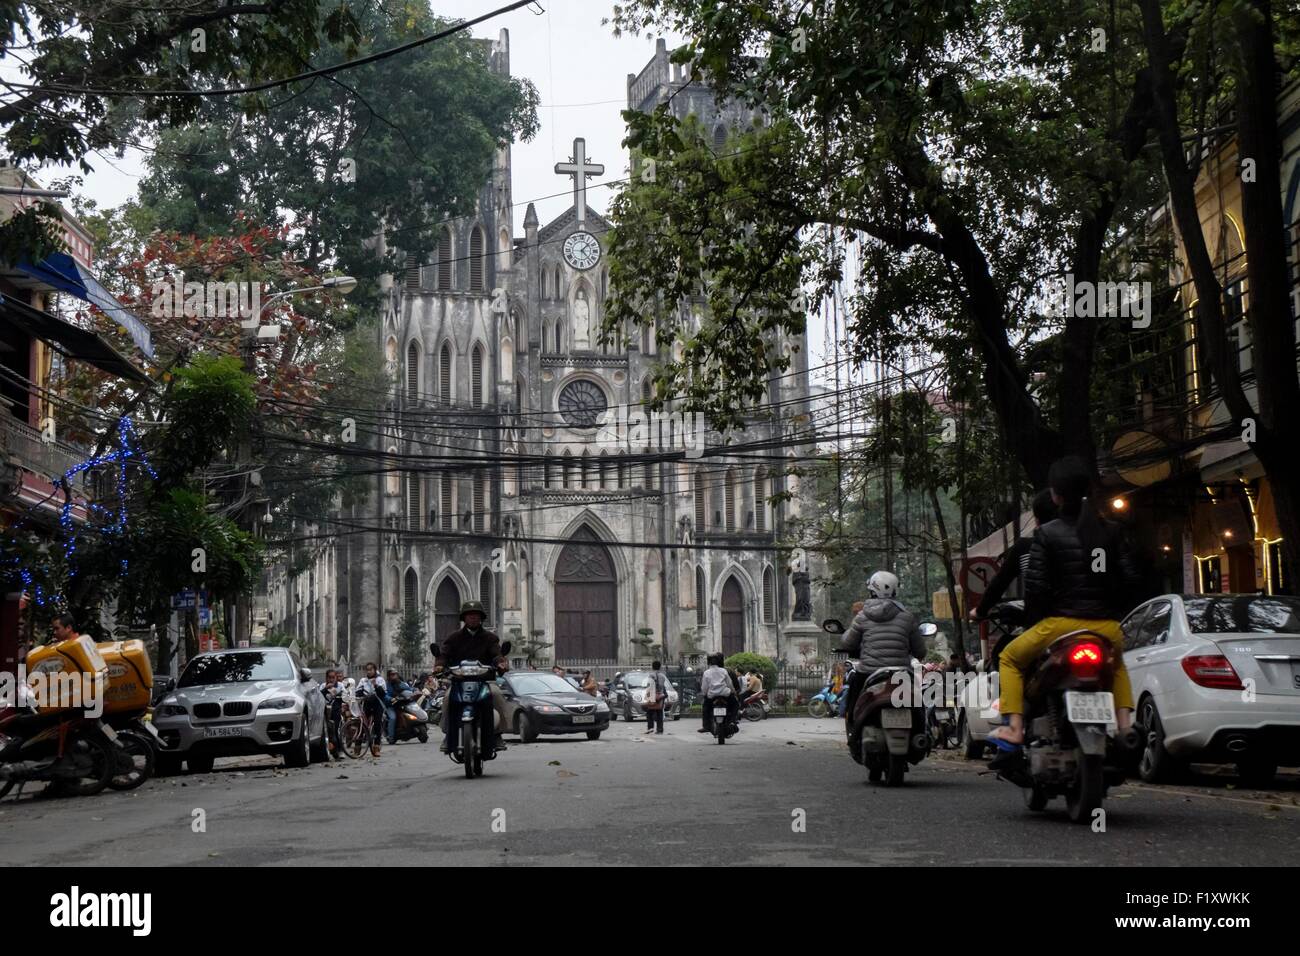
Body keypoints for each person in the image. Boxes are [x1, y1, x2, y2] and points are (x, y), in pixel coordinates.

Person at [987, 456, 1140, 747]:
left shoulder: (1047, 533)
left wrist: (1037, 619)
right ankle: (1124, 726)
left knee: (1009, 658)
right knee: (1117, 665)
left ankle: (1015, 728)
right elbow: (1131, 579)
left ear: (1055, 495)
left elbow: (1037, 587)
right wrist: (1113, 613)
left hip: (1060, 625)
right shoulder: (1111, 530)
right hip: (1107, 627)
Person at [836, 570, 927, 763]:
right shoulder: (907, 617)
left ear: (872, 592)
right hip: (901, 674)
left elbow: (847, 644)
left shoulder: (862, 617)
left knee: (851, 700)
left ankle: (853, 734)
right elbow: (920, 651)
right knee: (919, 701)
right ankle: (924, 731)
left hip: (868, 672)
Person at [433, 601, 510, 753]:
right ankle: (448, 734)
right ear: (464, 618)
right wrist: (439, 665)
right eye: (469, 616)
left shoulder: (490, 638)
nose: (473, 618)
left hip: (485, 681)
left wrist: (501, 663)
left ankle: (498, 734)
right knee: (448, 698)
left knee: (497, 695)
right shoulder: (453, 638)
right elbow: (444, 654)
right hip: (459, 682)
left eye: (476, 616)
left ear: (481, 618)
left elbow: (496, 653)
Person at [697, 653, 738, 733]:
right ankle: (733, 721)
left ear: (709, 662)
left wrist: (705, 694)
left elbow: (704, 687)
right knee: (735, 705)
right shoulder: (723, 671)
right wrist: (733, 691)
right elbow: (729, 683)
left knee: (705, 708)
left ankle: (706, 726)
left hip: (712, 696)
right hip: (725, 694)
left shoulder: (706, 673)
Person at [356, 662, 388, 757]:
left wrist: (376, 686)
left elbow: (383, 693)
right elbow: (358, 691)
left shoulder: (380, 680)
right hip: (367, 704)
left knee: (377, 724)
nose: (369, 671)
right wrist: (359, 693)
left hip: (377, 704)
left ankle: (377, 747)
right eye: (367, 670)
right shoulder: (363, 680)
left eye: (371, 669)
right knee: (362, 724)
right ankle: (357, 748)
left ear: (375, 670)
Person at [384, 668, 412, 744]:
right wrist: (391, 699)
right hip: (391, 705)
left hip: (401, 704)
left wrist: (415, 691)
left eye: (395, 674)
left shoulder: (401, 683)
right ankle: (391, 737)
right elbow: (385, 695)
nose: (394, 676)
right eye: (392, 675)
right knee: (393, 718)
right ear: (389, 676)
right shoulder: (386, 685)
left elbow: (409, 689)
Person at [644, 660, 670, 734]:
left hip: (652, 695)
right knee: (659, 713)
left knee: (649, 713)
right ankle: (660, 729)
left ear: (652, 667)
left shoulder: (651, 675)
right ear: (660, 667)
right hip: (660, 696)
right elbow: (663, 687)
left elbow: (649, 686)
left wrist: (648, 697)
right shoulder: (662, 676)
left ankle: (650, 727)